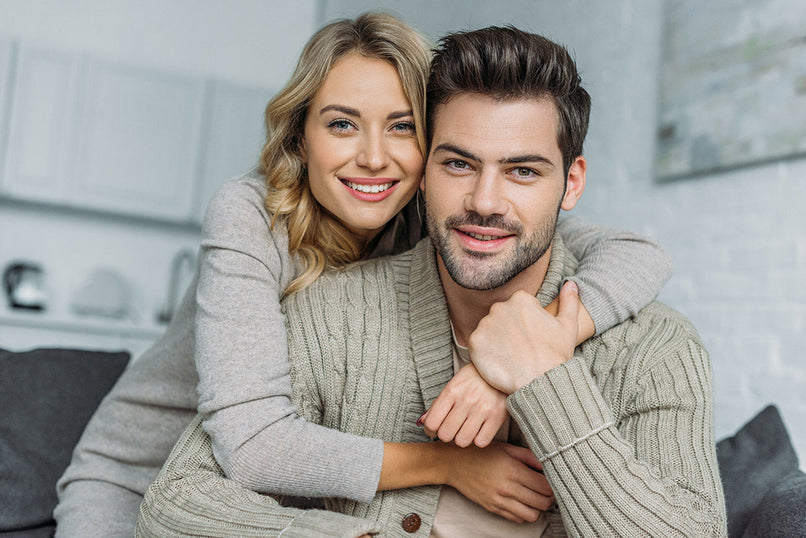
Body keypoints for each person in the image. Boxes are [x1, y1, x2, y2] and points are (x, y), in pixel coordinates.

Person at [55, 14, 673, 538]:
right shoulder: (250, 216)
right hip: (138, 475)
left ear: (430, 152)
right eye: (342, 123)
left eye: (401, 126)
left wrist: (523, 355)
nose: (374, 156)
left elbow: (637, 254)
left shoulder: (436, 216)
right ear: (302, 136)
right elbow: (252, 445)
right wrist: (448, 465)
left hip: (270, 488)